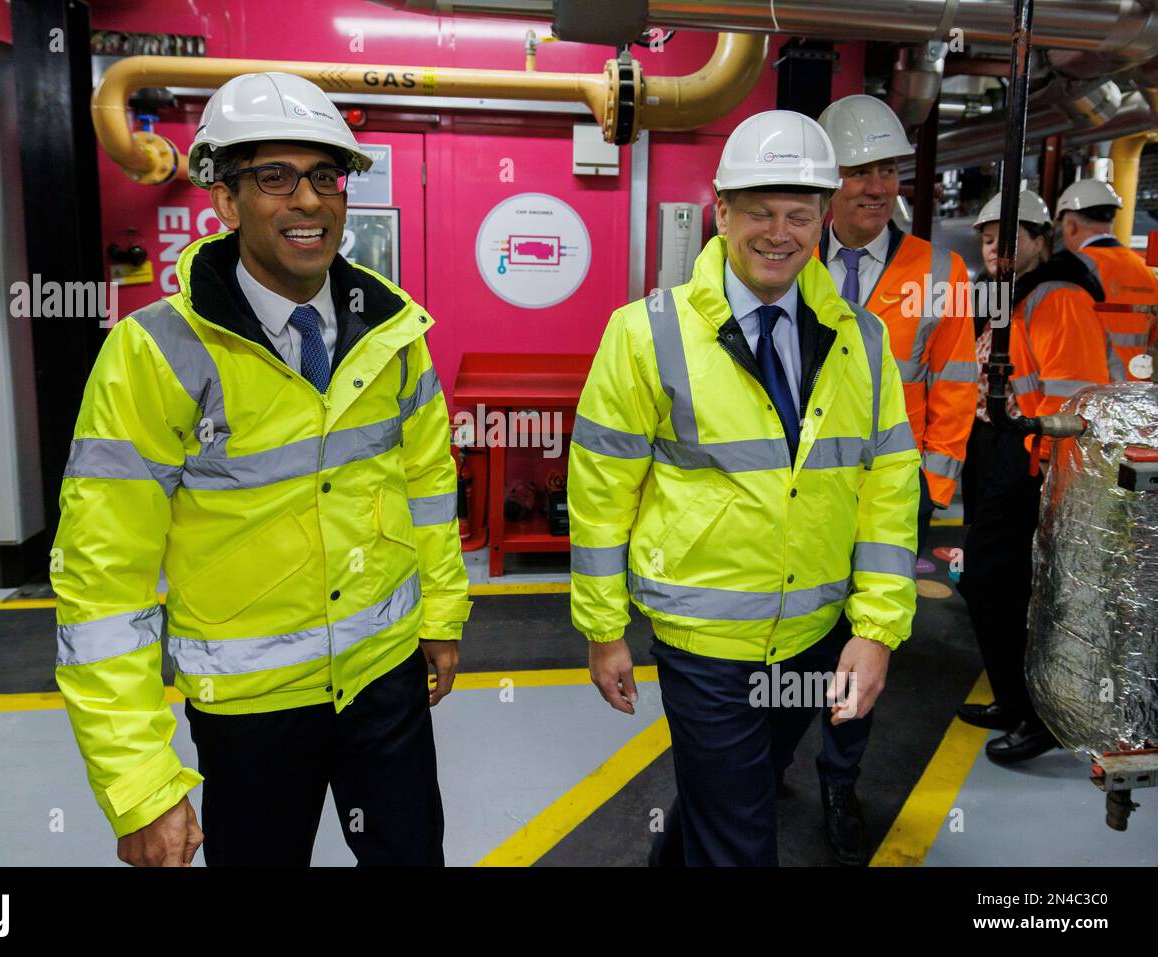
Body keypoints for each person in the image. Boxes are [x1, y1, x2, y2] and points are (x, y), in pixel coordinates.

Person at [51, 72, 471, 866]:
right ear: (225, 199)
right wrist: (140, 781)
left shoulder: (392, 333)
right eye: (273, 176)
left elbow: (427, 486)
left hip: (385, 681)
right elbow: (103, 581)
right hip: (250, 709)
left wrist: (442, 616)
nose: (306, 200)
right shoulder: (154, 355)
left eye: (324, 175)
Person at [568, 110, 919, 867]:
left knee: (730, 793)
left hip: (815, 636)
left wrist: (877, 626)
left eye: (799, 214)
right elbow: (602, 490)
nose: (779, 232)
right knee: (741, 842)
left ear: (823, 218)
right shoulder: (644, 333)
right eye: (759, 211)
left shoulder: (862, 337)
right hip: (707, 646)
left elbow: (888, 485)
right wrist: (603, 629)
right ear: (720, 211)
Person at [813, 94, 978, 865]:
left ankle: (839, 779)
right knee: (783, 639)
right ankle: (767, 755)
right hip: (793, 499)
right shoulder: (783, 253)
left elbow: (956, 387)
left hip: (887, 501)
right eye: (858, 171)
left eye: (886, 169)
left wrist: (931, 493)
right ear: (828, 179)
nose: (876, 186)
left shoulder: (940, 273)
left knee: (865, 643)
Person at [955, 188, 1108, 764]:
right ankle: (1011, 697)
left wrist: (1046, 468)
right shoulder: (1007, 295)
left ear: (1044, 240)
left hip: (1030, 460)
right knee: (1002, 584)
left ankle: (1035, 714)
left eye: (1012, 239)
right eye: (990, 240)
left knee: (993, 582)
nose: (998, 249)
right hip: (999, 450)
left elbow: (1077, 398)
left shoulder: (1057, 297)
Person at [1055, 178, 1158, 381]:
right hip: (1139, 393)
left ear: (1070, 225)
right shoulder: (1146, 271)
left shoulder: (1072, 271)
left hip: (1093, 392)